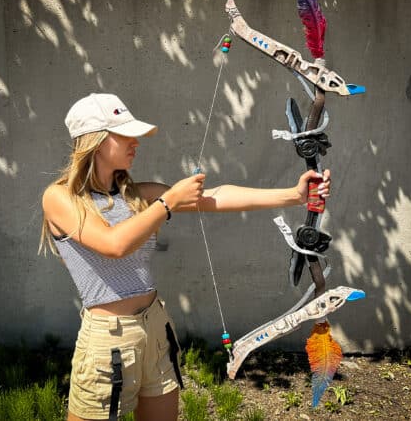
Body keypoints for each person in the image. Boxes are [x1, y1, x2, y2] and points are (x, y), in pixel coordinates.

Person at [40, 93, 331, 421]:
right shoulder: (60, 197)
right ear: (95, 140)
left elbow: (215, 197)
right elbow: (113, 244)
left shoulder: (136, 194)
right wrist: (168, 202)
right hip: (108, 338)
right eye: (125, 135)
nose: (136, 142)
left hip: (155, 326)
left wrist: (293, 195)